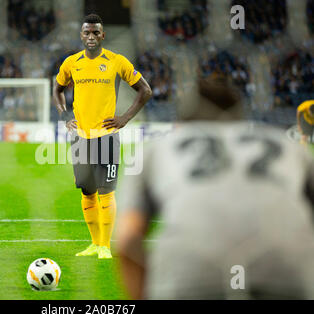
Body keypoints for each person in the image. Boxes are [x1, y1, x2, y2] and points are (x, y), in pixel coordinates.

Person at [116, 75, 314, 299]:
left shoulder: (158, 148)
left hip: (189, 276)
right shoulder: (287, 145)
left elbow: (127, 240)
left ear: (184, 119)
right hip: (287, 272)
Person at [52, 14, 152, 259]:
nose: (91, 37)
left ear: (103, 35)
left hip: (106, 137)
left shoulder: (117, 61)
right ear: (81, 35)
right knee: (87, 192)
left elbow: (145, 90)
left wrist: (124, 118)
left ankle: (106, 246)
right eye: (87, 32)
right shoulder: (71, 63)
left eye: (96, 32)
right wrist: (65, 115)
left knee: (106, 191)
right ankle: (94, 244)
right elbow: (57, 89)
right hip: (80, 138)